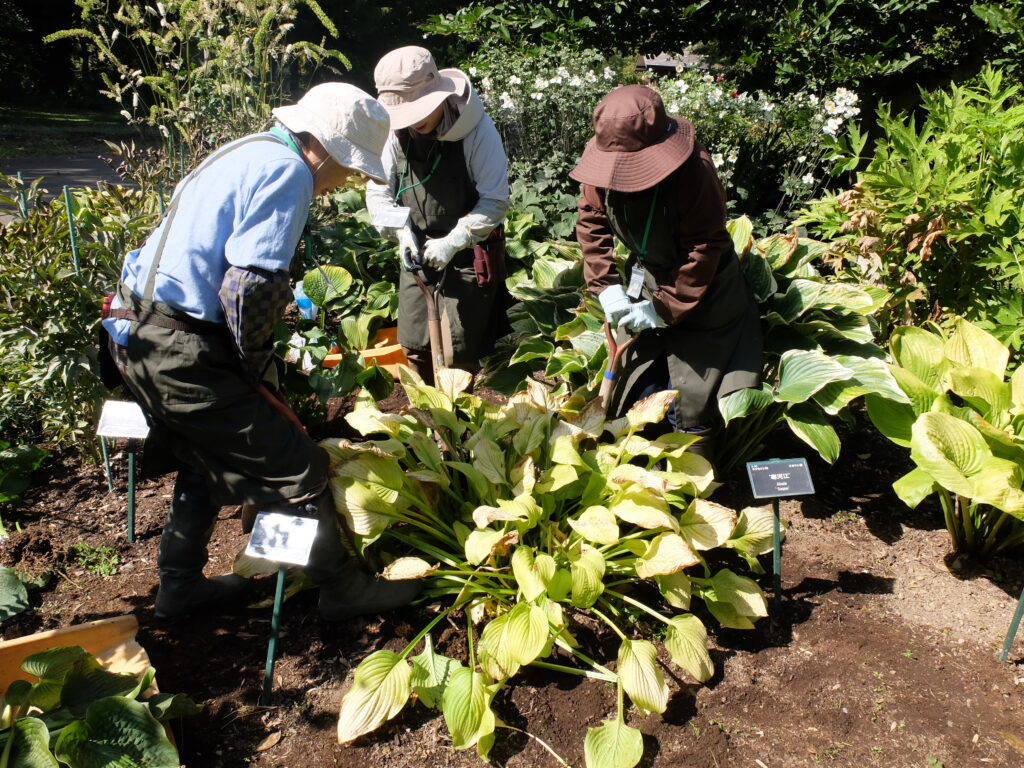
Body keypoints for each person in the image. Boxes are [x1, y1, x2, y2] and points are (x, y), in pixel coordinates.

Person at [101, 82, 420, 620]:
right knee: (297, 468)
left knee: (203, 456)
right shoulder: (290, 170)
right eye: (350, 169)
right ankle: (340, 587)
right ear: (324, 146)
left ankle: (178, 588)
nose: (345, 183)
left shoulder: (243, 149)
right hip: (181, 347)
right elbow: (249, 285)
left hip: (136, 331)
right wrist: (254, 367)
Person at [571, 84, 763, 462]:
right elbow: (591, 221)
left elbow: (703, 247)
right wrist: (607, 287)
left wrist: (663, 307)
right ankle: (640, 475)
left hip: (704, 289)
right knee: (640, 382)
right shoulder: (602, 163)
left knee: (693, 395)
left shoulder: (694, 174)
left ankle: (693, 488)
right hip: (647, 278)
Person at [365, 46, 510, 383]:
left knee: (461, 347)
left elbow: (495, 201)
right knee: (415, 342)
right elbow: (377, 193)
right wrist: (401, 232)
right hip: (417, 247)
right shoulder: (394, 133)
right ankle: (426, 414)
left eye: (419, 111)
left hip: (468, 252)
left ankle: (461, 418)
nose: (413, 121)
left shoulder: (477, 131)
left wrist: (454, 241)